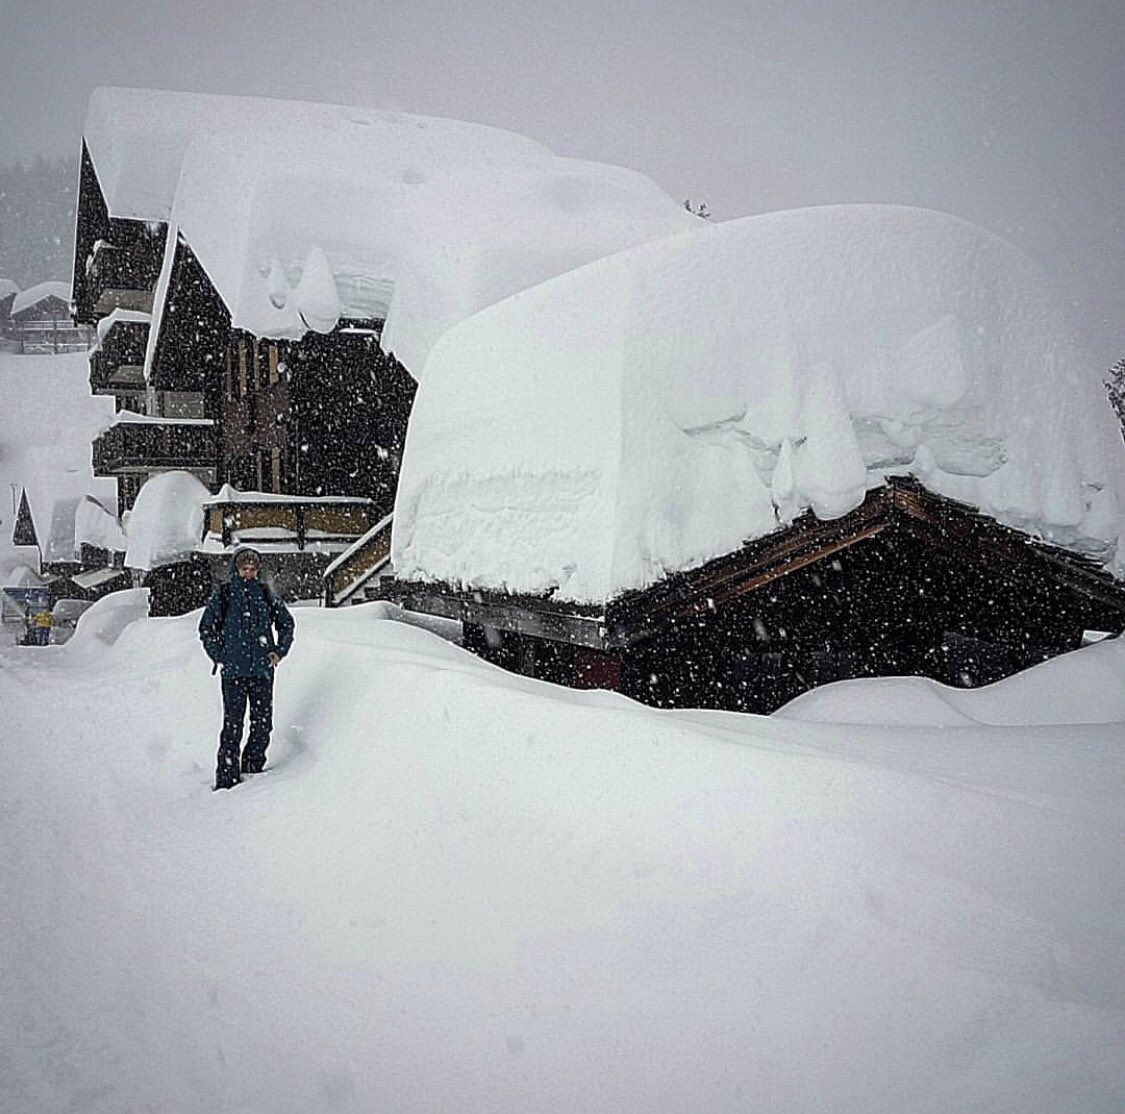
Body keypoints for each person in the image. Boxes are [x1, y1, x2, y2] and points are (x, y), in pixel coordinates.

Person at [198, 547, 294, 790]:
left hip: (262, 672)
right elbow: (206, 628)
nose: (249, 573)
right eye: (244, 569)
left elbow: (286, 624)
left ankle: (253, 772)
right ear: (236, 569)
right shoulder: (225, 594)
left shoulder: (265, 594)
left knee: (262, 725)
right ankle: (227, 778)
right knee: (233, 727)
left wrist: (279, 651)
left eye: (253, 569)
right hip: (234, 674)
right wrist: (220, 655)